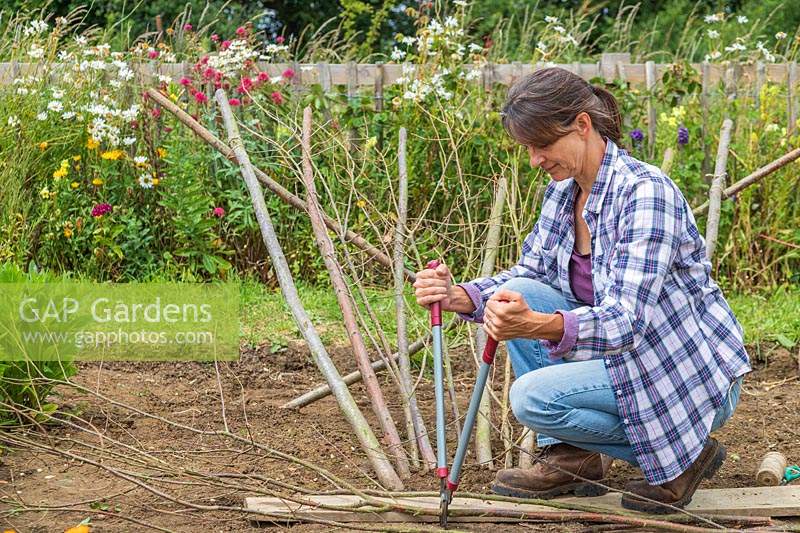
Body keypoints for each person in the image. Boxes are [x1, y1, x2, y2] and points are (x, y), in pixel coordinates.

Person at [412, 67, 751, 513]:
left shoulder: (645, 194)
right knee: (514, 290)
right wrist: (463, 296)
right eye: (528, 148)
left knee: (532, 398)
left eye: (543, 145)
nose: (534, 159)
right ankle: (575, 458)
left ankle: (684, 459)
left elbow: (626, 323)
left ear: (582, 125)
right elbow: (531, 272)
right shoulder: (564, 194)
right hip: (625, 359)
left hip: (680, 370)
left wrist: (537, 325)